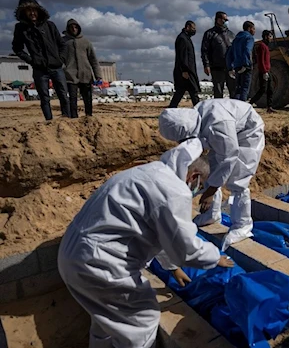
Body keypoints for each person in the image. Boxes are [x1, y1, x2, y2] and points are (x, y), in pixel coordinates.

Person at [58, 138, 235, 348]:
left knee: (107, 320)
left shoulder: (149, 172)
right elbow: (185, 248)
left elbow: (154, 231)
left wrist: (172, 268)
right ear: (194, 176)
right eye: (201, 186)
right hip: (100, 264)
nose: (197, 191)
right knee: (142, 320)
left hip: (74, 255)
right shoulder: (173, 190)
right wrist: (215, 257)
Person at [159, 99, 265, 251]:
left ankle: (243, 225)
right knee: (214, 168)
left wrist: (210, 191)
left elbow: (230, 156)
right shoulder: (196, 118)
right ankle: (212, 213)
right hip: (228, 133)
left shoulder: (218, 124)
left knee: (237, 180)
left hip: (248, 132)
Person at [12, 0, 70, 121]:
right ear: (23, 12)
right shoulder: (21, 28)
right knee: (44, 98)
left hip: (56, 66)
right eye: (28, 10)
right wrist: (32, 61)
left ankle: (67, 119)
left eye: (34, 10)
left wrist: (61, 59)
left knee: (63, 95)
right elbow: (17, 48)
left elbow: (62, 45)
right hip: (39, 68)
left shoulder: (50, 25)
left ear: (38, 10)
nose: (32, 13)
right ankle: (49, 122)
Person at [63, 19, 102, 117]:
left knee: (88, 98)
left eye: (75, 27)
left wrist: (98, 75)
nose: (74, 29)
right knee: (72, 98)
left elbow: (93, 60)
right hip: (70, 75)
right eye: (71, 27)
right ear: (68, 29)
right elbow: (60, 58)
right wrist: (64, 69)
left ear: (79, 28)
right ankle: (74, 118)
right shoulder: (64, 42)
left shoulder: (86, 42)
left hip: (86, 74)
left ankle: (89, 116)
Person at [202, 12, 236, 98]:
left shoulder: (231, 34)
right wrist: (206, 65)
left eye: (227, 20)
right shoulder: (209, 34)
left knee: (233, 90)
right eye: (225, 19)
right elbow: (204, 50)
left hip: (230, 68)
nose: (226, 21)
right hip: (216, 67)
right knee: (218, 91)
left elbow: (235, 50)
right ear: (218, 20)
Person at [169, 21, 200, 108]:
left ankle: (172, 108)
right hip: (186, 71)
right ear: (187, 27)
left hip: (187, 70)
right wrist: (184, 70)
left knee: (183, 91)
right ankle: (199, 110)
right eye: (193, 28)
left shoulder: (186, 38)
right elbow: (183, 55)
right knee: (191, 91)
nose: (194, 30)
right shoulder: (182, 39)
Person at [227, 21, 256, 102]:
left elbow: (229, 54)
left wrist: (230, 67)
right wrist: (246, 64)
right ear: (249, 28)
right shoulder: (249, 37)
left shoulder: (236, 39)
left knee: (238, 89)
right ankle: (242, 109)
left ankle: (236, 107)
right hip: (245, 67)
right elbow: (247, 50)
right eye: (253, 29)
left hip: (236, 66)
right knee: (245, 89)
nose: (254, 31)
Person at [249, 30, 275, 113]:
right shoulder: (262, 46)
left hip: (267, 70)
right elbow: (261, 60)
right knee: (262, 89)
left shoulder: (266, 46)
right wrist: (264, 71)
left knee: (270, 89)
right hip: (263, 71)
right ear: (266, 36)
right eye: (270, 36)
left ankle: (269, 107)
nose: (271, 38)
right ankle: (250, 103)